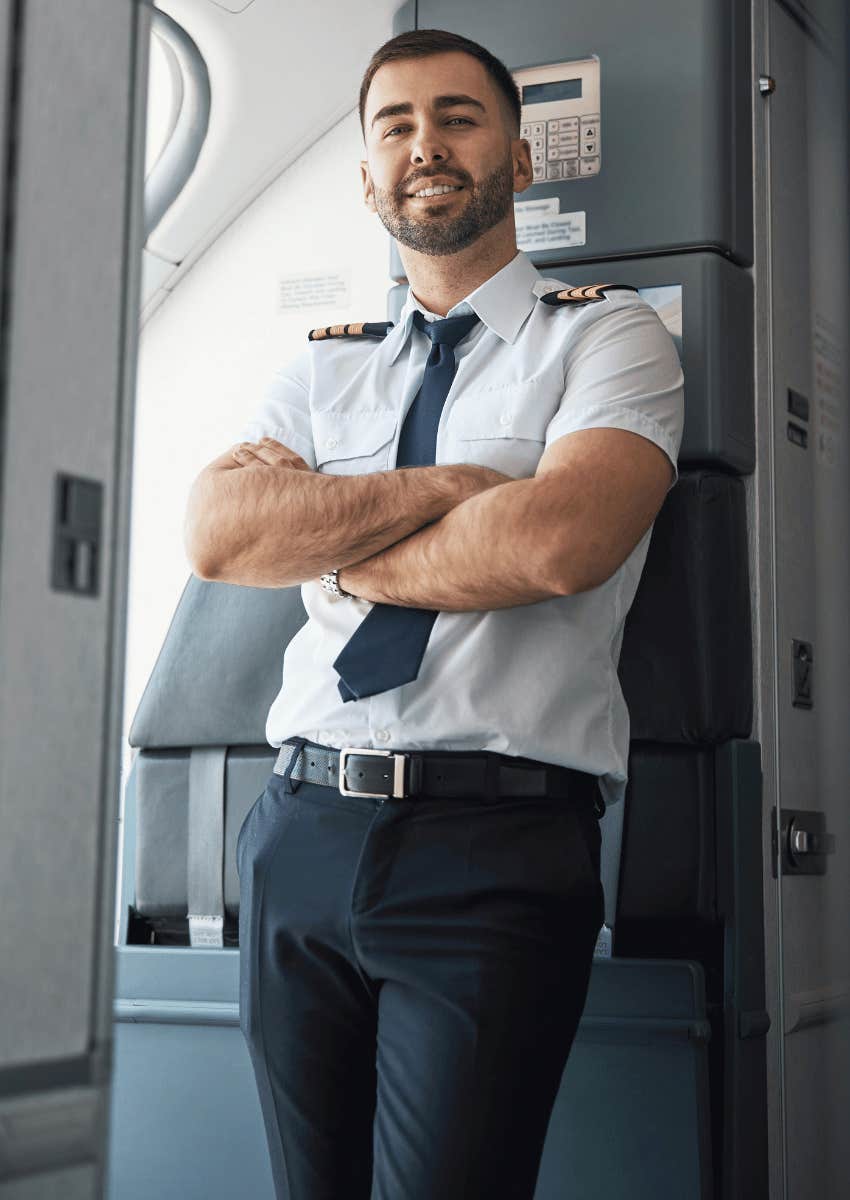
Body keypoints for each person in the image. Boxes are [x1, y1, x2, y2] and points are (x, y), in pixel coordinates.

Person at [184, 27, 683, 1200]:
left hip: (494, 846)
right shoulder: (322, 368)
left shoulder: (609, 338)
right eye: (395, 126)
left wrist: (339, 556)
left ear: (517, 157)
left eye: (458, 119)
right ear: (366, 175)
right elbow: (219, 536)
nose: (425, 146)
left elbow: (557, 542)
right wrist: (452, 494)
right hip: (299, 827)